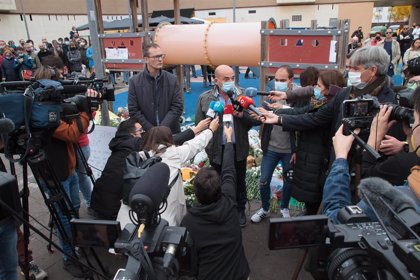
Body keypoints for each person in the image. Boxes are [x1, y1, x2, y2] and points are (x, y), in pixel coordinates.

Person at [33, 56, 98, 278]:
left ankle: (76, 243)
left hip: (66, 167)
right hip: (54, 173)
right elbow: (71, 133)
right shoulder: (42, 114)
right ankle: (69, 256)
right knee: (63, 215)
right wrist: (85, 111)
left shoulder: (51, 108)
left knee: (74, 206)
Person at [91, 117, 213, 220]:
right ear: (132, 134)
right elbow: (174, 145)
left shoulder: (120, 145)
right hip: (114, 207)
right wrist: (201, 130)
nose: (143, 133)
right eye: (141, 131)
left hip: (98, 200)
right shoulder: (136, 147)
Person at [322, 99, 420, 224]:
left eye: (415, 120)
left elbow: (336, 220)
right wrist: (407, 142)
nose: (412, 124)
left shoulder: (392, 200)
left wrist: (341, 157)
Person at [181, 125, 250, 280]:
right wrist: (229, 138)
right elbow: (228, 168)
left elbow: (188, 264)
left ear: (196, 194)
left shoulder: (189, 222)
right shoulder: (230, 201)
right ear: (220, 188)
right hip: (240, 274)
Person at [195, 64, 260, 226]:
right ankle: (219, 210)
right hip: (217, 148)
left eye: (232, 78)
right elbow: (200, 124)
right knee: (216, 182)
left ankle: (239, 210)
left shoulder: (242, 95)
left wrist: (241, 115)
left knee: (239, 180)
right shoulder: (205, 98)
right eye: (226, 79)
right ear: (216, 80)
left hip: (238, 147)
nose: (230, 82)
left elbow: (253, 120)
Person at [138, 118, 219, 226]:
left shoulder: (142, 156)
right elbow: (196, 144)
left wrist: (196, 130)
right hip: (167, 214)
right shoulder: (174, 154)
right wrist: (211, 130)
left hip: (143, 214)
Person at [251, 65, 298, 223]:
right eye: (276, 80)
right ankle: (264, 208)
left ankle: (284, 207)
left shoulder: (298, 98)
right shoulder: (270, 96)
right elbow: (261, 115)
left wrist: (296, 149)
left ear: (291, 81)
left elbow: (303, 120)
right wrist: (258, 116)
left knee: (289, 181)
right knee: (264, 180)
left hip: (289, 150)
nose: (278, 83)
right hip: (271, 148)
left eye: (282, 80)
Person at [128, 43, 183, 134]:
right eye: (156, 57)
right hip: (147, 134)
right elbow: (133, 110)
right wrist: (151, 129)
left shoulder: (171, 79)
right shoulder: (135, 81)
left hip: (170, 133)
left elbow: (177, 106)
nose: (160, 59)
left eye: (161, 56)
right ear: (146, 59)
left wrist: (162, 128)